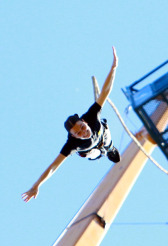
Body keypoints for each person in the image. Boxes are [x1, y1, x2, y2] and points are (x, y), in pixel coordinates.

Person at [22, 47, 120, 203]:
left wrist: (113, 68)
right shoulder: (72, 144)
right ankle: (103, 152)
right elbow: (54, 166)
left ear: (84, 121)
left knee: (106, 136)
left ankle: (110, 148)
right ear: (73, 136)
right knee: (89, 153)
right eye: (78, 134)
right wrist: (37, 184)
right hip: (91, 150)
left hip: (102, 135)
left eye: (82, 128)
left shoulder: (91, 115)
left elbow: (105, 92)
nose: (83, 133)